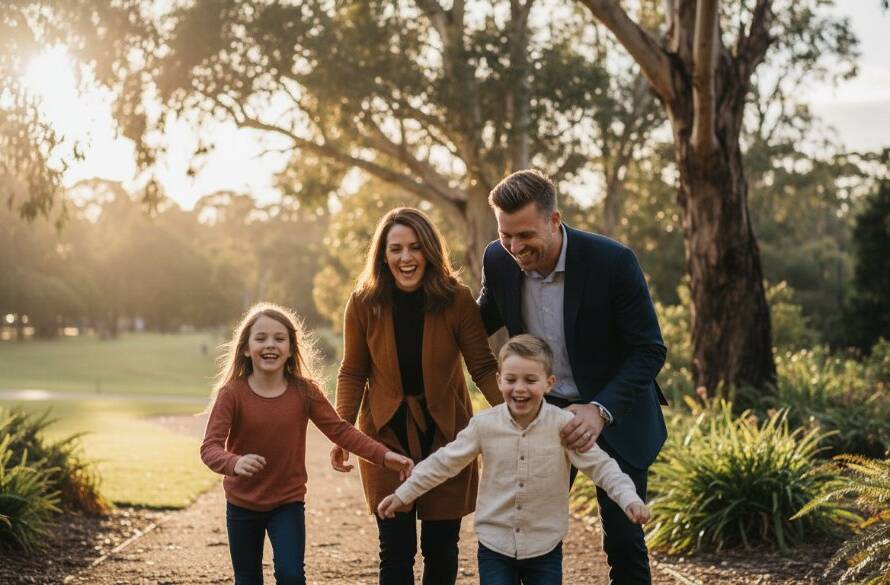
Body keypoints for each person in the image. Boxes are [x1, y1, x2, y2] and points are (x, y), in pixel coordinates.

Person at [477, 170, 668, 585]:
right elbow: (477, 323)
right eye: (506, 234)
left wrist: (600, 410)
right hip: (542, 416)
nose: (514, 247)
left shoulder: (613, 262)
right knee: (526, 538)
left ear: (554, 220)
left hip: (614, 413)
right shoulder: (497, 258)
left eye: (525, 235)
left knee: (622, 540)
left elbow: (649, 349)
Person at [378, 334, 651, 585]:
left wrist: (629, 498)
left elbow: (602, 467)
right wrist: (403, 494)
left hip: (545, 547)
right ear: (499, 381)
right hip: (495, 546)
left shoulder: (564, 426)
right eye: (511, 380)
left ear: (549, 383)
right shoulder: (484, 425)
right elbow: (444, 462)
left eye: (530, 380)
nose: (519, 388)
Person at [331, 207, 503, 585]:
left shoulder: (456, 299)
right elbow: (353, 371)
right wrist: (342, 431)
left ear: (429, 250)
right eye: (395, 249)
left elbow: (483, 367)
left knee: (442, 550)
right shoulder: (364, 302)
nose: (405, 258)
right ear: (383, 255)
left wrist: (520, 417)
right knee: (395, 549)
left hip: (447, 437)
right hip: (385, 437)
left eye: (414, 247)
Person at [200, 303, 414, 585]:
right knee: (247, 578)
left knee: (291, 575)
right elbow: (210, 448)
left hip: (287, 502)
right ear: (245, 348)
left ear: (291, 348)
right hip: (242, 504)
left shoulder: (304, 391)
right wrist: (235, 462)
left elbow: (341, 431)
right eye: (260, 338)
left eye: (279, 338)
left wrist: (385, 456)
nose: (270, 345)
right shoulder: (232, 394)